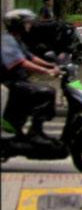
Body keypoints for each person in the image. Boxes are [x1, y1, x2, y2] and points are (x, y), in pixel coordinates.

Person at [1, 9, 62, 144]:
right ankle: (35, 132)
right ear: (18, 25)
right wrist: (46, 71)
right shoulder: (7, 41)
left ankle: (22, 127)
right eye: (26, 23)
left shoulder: (17, 40)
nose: (29, 25)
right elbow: (22, 63)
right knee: (46, 93)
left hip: (17, 82)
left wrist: (51, 65)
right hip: (9, 83)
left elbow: (31, 58)